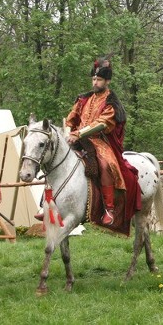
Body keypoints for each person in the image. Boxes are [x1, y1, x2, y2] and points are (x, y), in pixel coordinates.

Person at [64, 57, 140, 226]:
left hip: (99, 141)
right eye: (93, 79)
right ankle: (46, 203)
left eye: (98, 79)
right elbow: (71, 118)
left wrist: (79, 133)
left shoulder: (112, 102)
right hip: (76, 139)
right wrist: (68, 133)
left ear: (107, 81)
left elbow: (102, 123)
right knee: (54, 157)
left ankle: (109, 209)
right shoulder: (84, 99)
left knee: (105, 166)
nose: (94, 82)